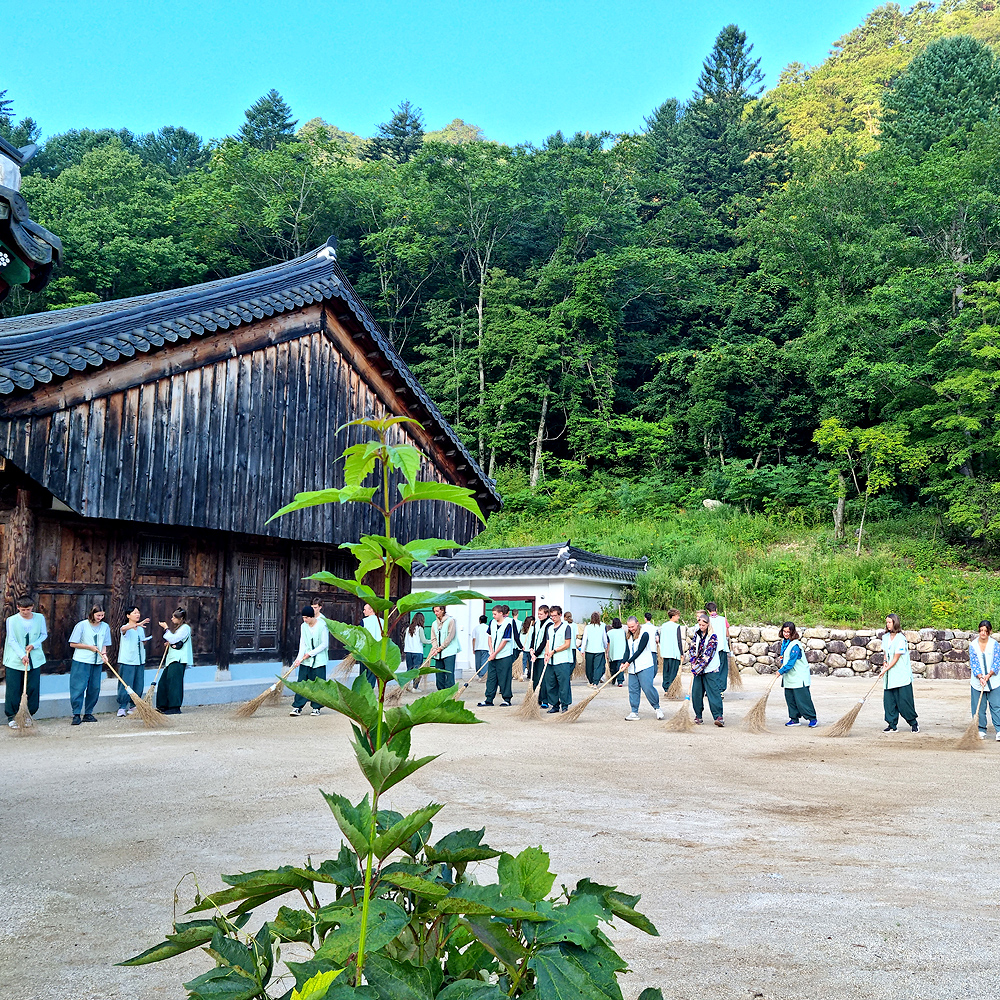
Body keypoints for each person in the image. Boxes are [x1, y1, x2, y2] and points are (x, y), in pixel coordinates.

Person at [4, 596, 47, 729]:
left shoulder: (39, 618)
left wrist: (34, 644)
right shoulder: (11, 620)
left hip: (34, 658)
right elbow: (11, 639)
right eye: (23, 610)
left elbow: (43, 634)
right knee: (14, 688)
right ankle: (12, 717)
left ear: (32, 607)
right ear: (18, 607)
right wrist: (22, 655)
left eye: (28, 609)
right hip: (15, 659)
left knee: (33, 687)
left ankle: (29, 714)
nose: (25, 612)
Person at [69, 604, 112, 725]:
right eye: (98, 615)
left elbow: (105, 643)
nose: (100, 617)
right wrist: (89, 647)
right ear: (92, 614)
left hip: (97, 661)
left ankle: (88, 713)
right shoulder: (82, 625)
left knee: (94, 688)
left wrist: (104, 654)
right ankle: (76, 713)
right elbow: (73, 643)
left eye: (102, 615)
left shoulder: (105, 627)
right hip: (82, 660)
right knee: (78, 687)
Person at [879, 613, 918, 733]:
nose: (888, 624)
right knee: (889, 701)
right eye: (887, 622)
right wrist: (885, 661)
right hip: (890, 676)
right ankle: (892, 724)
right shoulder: (885, 637)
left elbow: (896, 658)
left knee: (904, 702)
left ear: (895, 623)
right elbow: (886, 652)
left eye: (890, 622)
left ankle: (913, 723)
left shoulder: (901, 639)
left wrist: (886, 669)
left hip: (901, 674)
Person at [289, 605, 330, 716]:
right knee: (302, 682)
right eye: (303, 618)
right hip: (305, 661)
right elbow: (303, 643)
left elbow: (324, 644)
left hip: (319, 660)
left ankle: (316, 708)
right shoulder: (303, 626)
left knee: (318, 684)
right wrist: (298, 659)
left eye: (307, 618)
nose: (305, 620)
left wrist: (311, 653)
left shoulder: (322, 626)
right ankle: (297, 707)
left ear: (312, 617)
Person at [621, 615, 664, 721]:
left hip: (645, 665)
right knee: (633, 689)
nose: (631, 629)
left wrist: (628, 662)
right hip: (632, 668)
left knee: (647, 687)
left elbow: (639, 650)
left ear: (637, 624)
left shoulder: (644, 634)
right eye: (629, 627)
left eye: (632, 626)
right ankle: (634, 711)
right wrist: (623, 662)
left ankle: (657, 708)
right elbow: (627, 651)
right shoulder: (628, 636)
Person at [777, 621, 816, 728]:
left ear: (793, 632)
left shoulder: (795, 645)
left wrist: (780, 671)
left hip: (799, 677)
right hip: (789, 677)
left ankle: (812, 718)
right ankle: (794, 719)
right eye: (784, 631)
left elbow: (791, 662)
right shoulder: (785, 643)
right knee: (790, 698)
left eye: (788, 632)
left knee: (803, 699)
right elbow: (785, 658)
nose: (786, 634)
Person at [689, 611, 723, 727]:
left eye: (703, 625)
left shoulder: (713, 637)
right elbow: (692, 648)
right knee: (696, 693)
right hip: (698, 669)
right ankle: (698, 716)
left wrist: (697, 667)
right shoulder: (696, 635)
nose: (701, 627)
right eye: (700, 625)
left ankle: (718, 716)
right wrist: (693, 661)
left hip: (710, 669)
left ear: (708, 624)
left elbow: (708, 655)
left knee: (713, 692)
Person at [157, 608, 193, 715]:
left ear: (180, 618)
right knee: (164, 682)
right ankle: (163, 705)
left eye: (174, 617)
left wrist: (166, 628)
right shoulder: (179, 629)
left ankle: (174, 706)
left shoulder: (185, 628)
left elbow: (174, 639)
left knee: (174, 683)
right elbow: (174, 640)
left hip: (179, 659)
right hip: (172, 659)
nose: (172, 619)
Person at [969, 620, 1000, 741]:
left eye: (985, 631)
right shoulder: (973, 645)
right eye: (981, 630)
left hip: (994, 680)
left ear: (989, 632)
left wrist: (989, 675)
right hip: (978, 681)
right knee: (978, 706)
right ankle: (981, 729)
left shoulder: (994, 644)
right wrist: (981, 676)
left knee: (996, 706)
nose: (983, 633)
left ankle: (999, 730)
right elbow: (974, 662)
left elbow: (997, 661)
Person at [116, 607, 150, 717]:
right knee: (126, 683)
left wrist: (144, 641)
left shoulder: (140, 629)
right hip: (128, 660)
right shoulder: (126, 627)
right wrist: (137, 624)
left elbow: (142, 642)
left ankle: (133, 705)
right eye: (135, 613)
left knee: (138, 683)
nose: (137, 614)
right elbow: (123, 630)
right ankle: (122, 707)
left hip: (139, 660)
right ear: (128, 615)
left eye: (138, 613)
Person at [480, 605, 514, 707]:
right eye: (493, 614)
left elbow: (504, 641)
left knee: (504, 677)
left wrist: (495, 653)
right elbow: (489, 637)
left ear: (500, 613)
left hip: (504, 656)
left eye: (495, 614)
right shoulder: (492, 623)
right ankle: (489, 699)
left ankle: (506, 699)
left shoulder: (508, 624)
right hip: (493, 655)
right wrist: (491, 651)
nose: (493, 616)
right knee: (491, 678)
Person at [544, 605, 575, 713]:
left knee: (563, 683)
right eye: (551, 616)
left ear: (560, 615)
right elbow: (547, 643)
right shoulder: (550, 629)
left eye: (555, 616)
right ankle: (554, 705)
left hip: (562, 660)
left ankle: (565, 705)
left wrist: (555, 651)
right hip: (551, 661)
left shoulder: (566, 627)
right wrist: (546, 654)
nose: (553, 618)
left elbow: (567, 644)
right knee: (551, 683)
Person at [429, 604, 459, 690]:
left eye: (437, 611)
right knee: (439, 674)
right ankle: (440, 692)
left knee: (449, 673)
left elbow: (450, 636)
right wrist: (435, 648)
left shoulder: (451, 620)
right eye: (434, 611)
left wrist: (441, 647)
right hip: (438, 654)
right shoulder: (434, 624)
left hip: (449, 652)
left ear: (442, 610)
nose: (436, 613)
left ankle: (450, 692)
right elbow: (433, 637)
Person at [706, 602, 731, 694]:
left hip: (711, 649)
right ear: (716, 609)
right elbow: (727, 634)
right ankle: (721, 690)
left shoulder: (707, 620)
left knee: (711, 668)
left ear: (708, 611)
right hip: (722, 647)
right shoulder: (723, 619)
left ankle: (712, 688)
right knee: (722, 669)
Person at [658, 609, 683, 692]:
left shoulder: (663, 626)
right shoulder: (676, 626)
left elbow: (661, 639)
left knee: (666, 671)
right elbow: (679, 640)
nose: (678, 617)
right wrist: (681, 653)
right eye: (677, 616)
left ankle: (666, 688)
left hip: (665, 652)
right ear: (673, 616)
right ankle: (672, 688)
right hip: (674, 652)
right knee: (673, 672)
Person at [531, 605, 552, 704]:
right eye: (538, 614)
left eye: (541, 614)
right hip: (535, 655)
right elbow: (533, 636)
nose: (539, 616)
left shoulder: (549, 624)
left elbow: (545, 641)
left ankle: (545, 700)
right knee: (535, 678)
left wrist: (537, 653)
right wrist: (531, 649)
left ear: (546, 614)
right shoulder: (537, 623)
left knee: (543, 678)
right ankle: (536, 698)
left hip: (543, 655)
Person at [360, 603, 383, 687]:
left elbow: (360, 636)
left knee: (364, 673)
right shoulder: (382, 622)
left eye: (365, 609)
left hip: (366, 651)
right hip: (378, 651)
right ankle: (370, 689)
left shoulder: (364, 621)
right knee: (373, 673)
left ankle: (364, 689)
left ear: (371, 610)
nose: (363, 611)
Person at [582, 612, 608, 687]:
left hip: (589, 650)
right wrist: (606, 647)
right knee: (598, 667)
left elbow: (584, 639)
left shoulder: (587, 627)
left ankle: (590, 681)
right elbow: (604, 639)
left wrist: (582, 650)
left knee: (589, 667)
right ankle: (595, 682)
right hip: (599, 650)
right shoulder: (602, 627)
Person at [402, 612, 426, 690]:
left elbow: (405, 641)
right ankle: (415, 687)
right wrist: (432, 641)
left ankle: (405, 685)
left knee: (409, 669)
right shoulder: (420, 629)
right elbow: (423, 640)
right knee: (417, 670)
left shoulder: (408, 628)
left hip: (408, 651)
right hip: (417, 652)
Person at [606, 617, 626, 686]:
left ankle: (613, 679)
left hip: (612, 652)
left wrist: (607, 652)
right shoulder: (623, 632)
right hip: (621, 652)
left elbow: (607, 643)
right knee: (620, 667)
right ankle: (620, 681)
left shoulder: (609, 633)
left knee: (612, 667)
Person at [471, 614, 490, 678]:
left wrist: (473, 648)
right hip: (486, 647)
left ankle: (479, 674)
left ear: (480, 621)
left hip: (477, 647)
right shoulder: (488, 628)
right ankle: (483, 675)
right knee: (484, 662)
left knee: (478, 662)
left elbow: (474, 639)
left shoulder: (476, 628)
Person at [519, 615, 534, 680]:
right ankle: (531, 675)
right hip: (530, 648)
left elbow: (519, 638)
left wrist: (521, 646)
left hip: (524, 648)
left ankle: (521, 675)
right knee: (531, 663)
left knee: (523, 662)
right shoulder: (532, 629)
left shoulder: (522, 629)